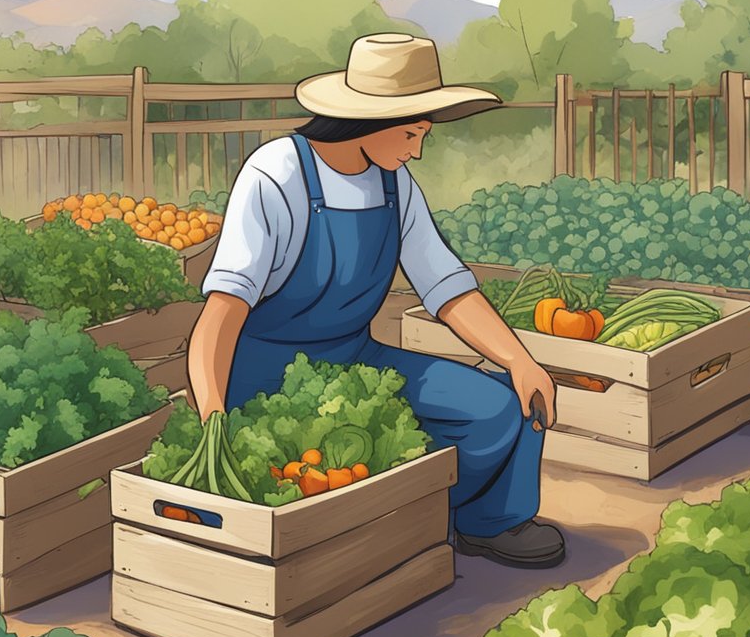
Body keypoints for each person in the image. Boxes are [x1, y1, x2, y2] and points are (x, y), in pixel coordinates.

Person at [188, 33, 565, 568]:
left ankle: (488, 522)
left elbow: (448, 288)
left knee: (504, 404)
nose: (415, 150)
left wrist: (519, 360)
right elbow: (222, 315)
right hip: (268, 379)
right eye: (411, 134)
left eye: (423, 136)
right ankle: (405, 522)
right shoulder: (278, 174)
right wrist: (214, 418)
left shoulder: (395, 184)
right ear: (368, 122)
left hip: (356, 362)